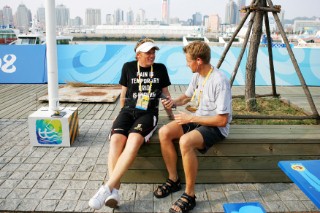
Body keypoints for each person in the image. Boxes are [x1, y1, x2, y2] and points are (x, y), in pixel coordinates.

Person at [88, 38, 172, 210]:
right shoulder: (128, 67)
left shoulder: (161, 68)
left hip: (148, 114)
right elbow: (124, 93)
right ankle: (114, 192)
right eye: (148, 52)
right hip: (127, 111)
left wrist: (171, 115)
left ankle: (106, 188)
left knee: (133, 139)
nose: (152, 55)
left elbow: (166, 94)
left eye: (153, 52)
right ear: (138, 54)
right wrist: (119, 114)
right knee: (116, 140)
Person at [153, 41, 232, 213]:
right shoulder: (197, 76)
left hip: (215, 126)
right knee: (164, 132)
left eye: (188, 61)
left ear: (198, 60)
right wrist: (174, 101)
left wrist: (191, 118)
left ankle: (190, 195)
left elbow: (222, 121)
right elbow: (187, 97)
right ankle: (174, 180)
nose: (186, 64)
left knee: (185, 141)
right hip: (197, 119)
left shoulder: (220, 81)